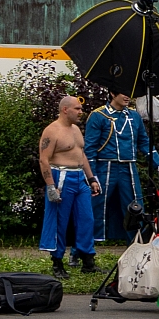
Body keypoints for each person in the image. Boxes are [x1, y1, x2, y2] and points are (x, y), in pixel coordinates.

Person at [86, 91, 159, 243]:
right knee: (96, 207)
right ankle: (83, 251)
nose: (127, 97)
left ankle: (138, 246)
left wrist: (158, 162)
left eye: (129, 93)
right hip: (105, 167)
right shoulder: (98, 115)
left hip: (128, 168)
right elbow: (90, 148)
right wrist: (92, 174)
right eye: (123, 93)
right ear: (112, 93)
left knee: (135, 208)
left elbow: (143, 141)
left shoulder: (134, 116)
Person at [39, 94, 101, 277]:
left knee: (86, 219)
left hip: (79, 177)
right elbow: (44, 160)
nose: (81, 112)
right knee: (60, 220)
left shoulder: (75, 129)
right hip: (61, 176)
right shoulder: (52, 131)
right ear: (65, 109)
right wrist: (51, 186)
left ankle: (87, 260)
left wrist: (91, 179)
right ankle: (57, 262)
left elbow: (81, 155)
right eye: (77, 108)